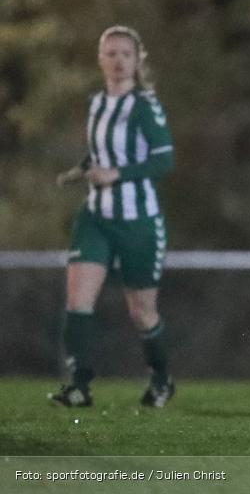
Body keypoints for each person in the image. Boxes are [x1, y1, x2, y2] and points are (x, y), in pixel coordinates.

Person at [51, 25, 175, 408]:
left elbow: (164, 160)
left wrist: (118, 174)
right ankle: (79, 386)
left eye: (125, 53)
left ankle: (161, 379)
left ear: (137, 60)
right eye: (111, 53)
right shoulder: (96, 104)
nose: (118, 60)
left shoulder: (144, 104)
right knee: (78, 300)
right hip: (97, 216)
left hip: (139, 221)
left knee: (142, 312)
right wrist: (82, 168)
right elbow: (102, 154)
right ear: (100, 59)